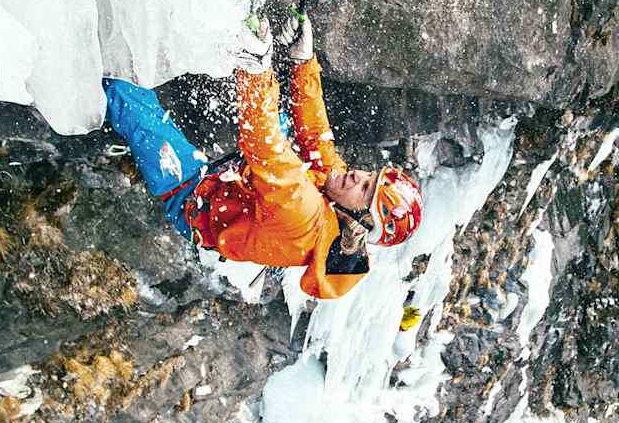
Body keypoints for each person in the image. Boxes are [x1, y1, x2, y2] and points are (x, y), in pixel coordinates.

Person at [102, 15, 424, 299]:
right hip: (242, 182)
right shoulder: (338, 197)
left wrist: (255, 70)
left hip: (190, 196)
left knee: (127, 95)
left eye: (365, 189)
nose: (357, 175)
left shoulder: (305, 216)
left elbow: (265, 147)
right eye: (369, 176)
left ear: (359, 221)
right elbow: (315, 138)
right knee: (281, 123)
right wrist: (302, 62)